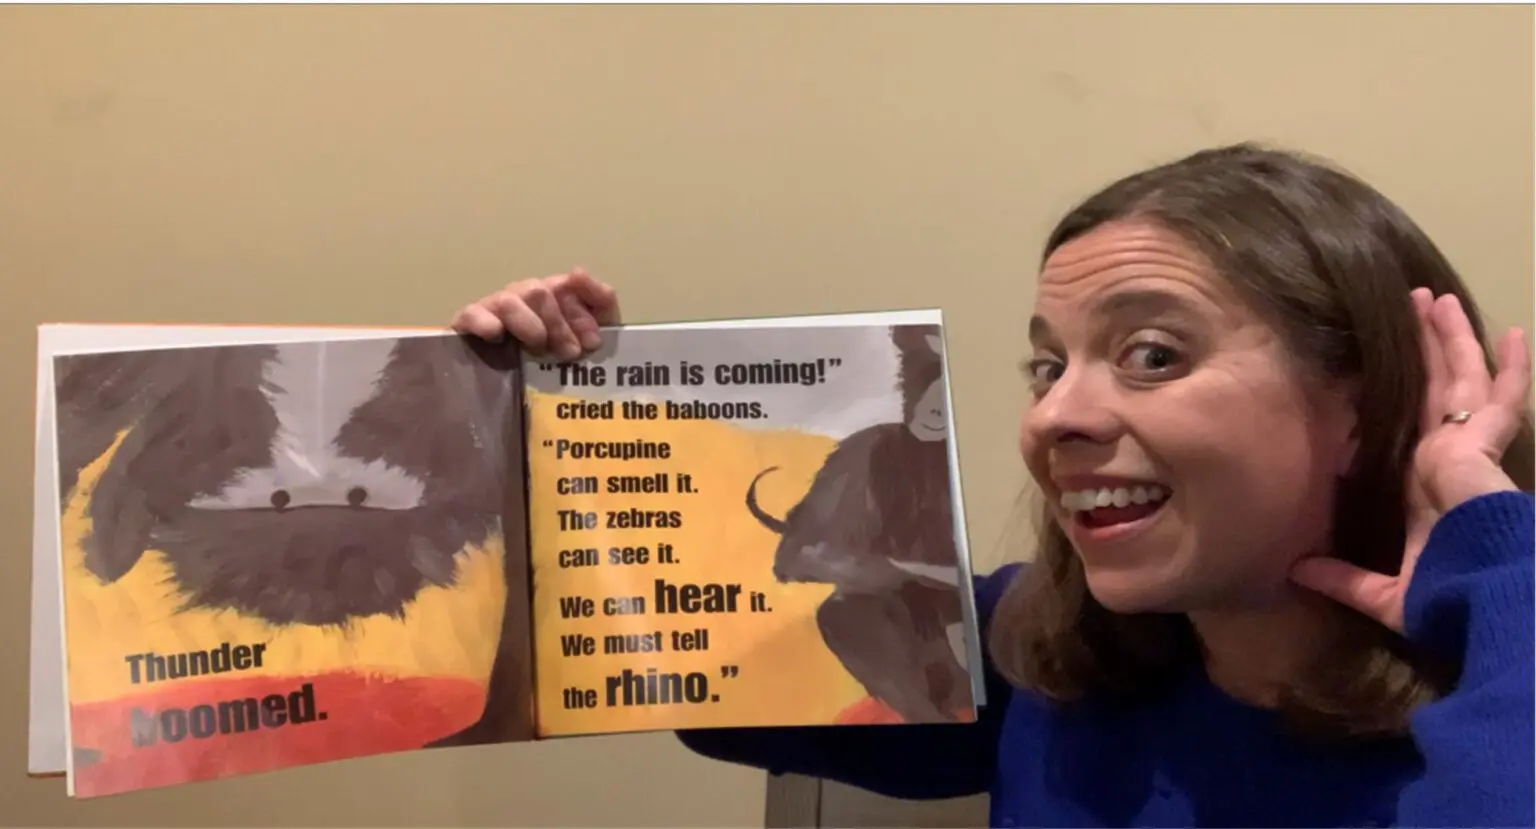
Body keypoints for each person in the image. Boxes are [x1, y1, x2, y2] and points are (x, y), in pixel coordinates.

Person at [451, 143, 1535, 828]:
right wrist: (560, 415)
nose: (1055, 414)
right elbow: (692, 659)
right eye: (1047, 364)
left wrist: (1497, 571)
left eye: (1153, 353)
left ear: (1364, 407)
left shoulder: (1496, 707)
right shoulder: (1033, 658)